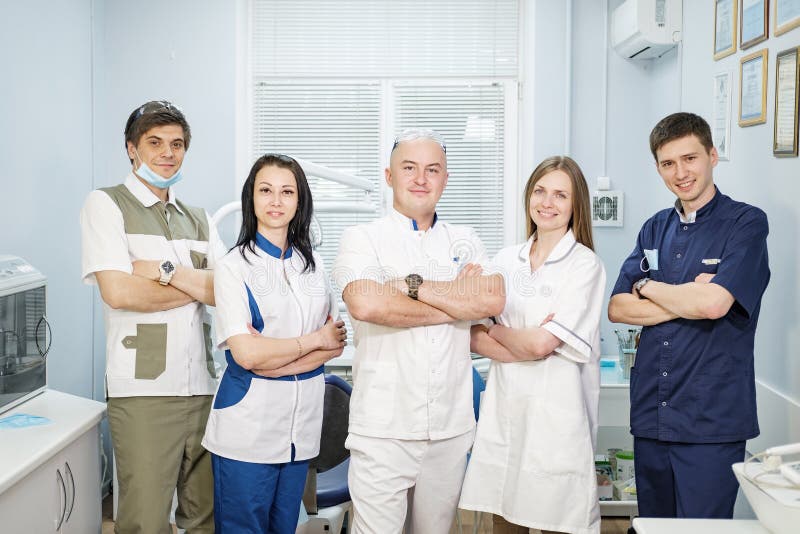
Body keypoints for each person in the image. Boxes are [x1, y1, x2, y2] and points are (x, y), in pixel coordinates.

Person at [332, 129, 505, 533]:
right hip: (383, 427)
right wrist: (456, 304)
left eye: (433, 169)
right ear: (389, 176)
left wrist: (409, 288)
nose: (421, 178)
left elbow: (492, 300)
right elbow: (366, 304)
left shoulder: (466, 239)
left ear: (445, 179)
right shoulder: (362, 238)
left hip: (449, 426)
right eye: (409, 168)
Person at [608, 112, 770, 519]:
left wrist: (649, 287)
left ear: (712, 155)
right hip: (651, 417)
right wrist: (687, 297)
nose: (680, 173)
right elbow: (618, 307)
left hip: (710, 421)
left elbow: (714, 305)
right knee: (653, 528)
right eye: (668, 163)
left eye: (690, 158)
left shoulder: (745, 224)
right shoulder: (654, 228)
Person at [80, 100, 225, 533]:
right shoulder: (106, 204)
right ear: (131, 148)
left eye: (177, 144)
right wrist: (195, 284)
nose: (168, 153)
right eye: (155, 142)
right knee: (144, 520)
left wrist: (164, 275)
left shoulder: (197, 218)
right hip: (144, 392)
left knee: (204, 517)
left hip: (202, 387)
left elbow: (227, 292)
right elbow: (120, 292)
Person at [459, 156, 606, 534]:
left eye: (560, 194)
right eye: (540, 191)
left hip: (558, 421)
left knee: (558, 517)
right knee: (504, 518)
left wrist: (501, 333)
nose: (547, 202)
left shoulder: (584, 265)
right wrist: (522, 341)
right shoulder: (507, 260)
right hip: (506, 414)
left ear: (576, 205)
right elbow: (472, 334)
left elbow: (541, 344)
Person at [202, 154, 347, 533]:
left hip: (300, 430)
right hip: (249, 429)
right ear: (251, 197)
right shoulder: (235, 267)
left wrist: (275, 354)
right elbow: (247, 355)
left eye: (287, 191)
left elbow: (336, 345)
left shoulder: (311, 266)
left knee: (285, 528)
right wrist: (313, 343)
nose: (276, 201)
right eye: (265, 190)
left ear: (300, 201)